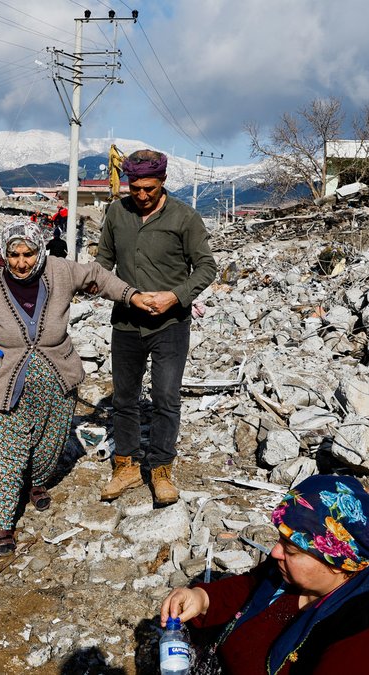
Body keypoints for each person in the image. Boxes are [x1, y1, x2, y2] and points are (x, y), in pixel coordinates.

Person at [0, 219, 155, 555]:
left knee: (49, 445)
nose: (20, 262)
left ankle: (35, 482)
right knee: (4, 456)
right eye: (14, 254)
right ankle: (1, 522)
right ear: (4, 253)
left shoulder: (60, 271)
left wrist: (131, 296)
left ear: (40, 251)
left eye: (28, 253)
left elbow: (96, 276)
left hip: (56, 380)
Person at [161, 475, 369, 675]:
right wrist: (203, 598)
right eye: (280, 540)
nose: (275, 552)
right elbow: (255, 584)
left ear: (340, 563)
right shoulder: (304, 573)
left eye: (292, 549)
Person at [95, 149, 216, 505]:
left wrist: (175, 296)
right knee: (124, 398)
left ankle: (161, 469)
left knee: (165, 397)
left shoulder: (185, 217)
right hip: (127, 322)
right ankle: (127, 467)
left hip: (170, 324)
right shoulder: (117, 213)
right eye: (135, 188)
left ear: (163, 182)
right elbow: (103, 261)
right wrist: (108, 287)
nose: (142, 195)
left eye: (149, 188)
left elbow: (206, 267)